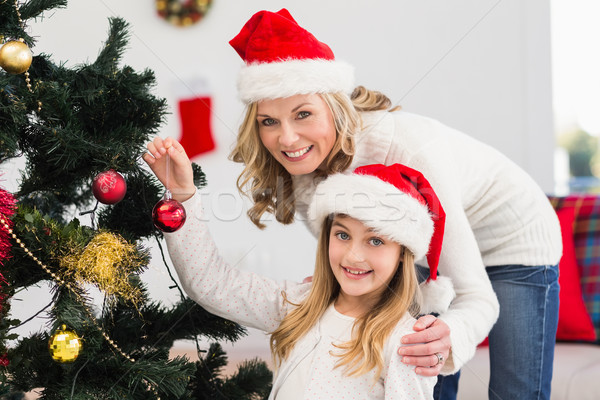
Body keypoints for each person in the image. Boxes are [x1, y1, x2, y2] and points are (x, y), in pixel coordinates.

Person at [144, 8, 562, 400]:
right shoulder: (306, 171)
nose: (286, 139)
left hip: (512, 238)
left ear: (336, 109)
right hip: (415, 245)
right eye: (269, 121)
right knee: (421, 363)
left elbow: (475, 297)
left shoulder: (411, 151)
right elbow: (338, 264)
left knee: (496, 382)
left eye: (303, 114)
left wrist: (447, 334)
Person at [160, 161, 455, 399]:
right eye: (342, 235)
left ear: (402, 255)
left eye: (375, 241)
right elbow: (211, 284)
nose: (353, 256)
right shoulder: (299, 304)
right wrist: (184, 196)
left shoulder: (406, 343)